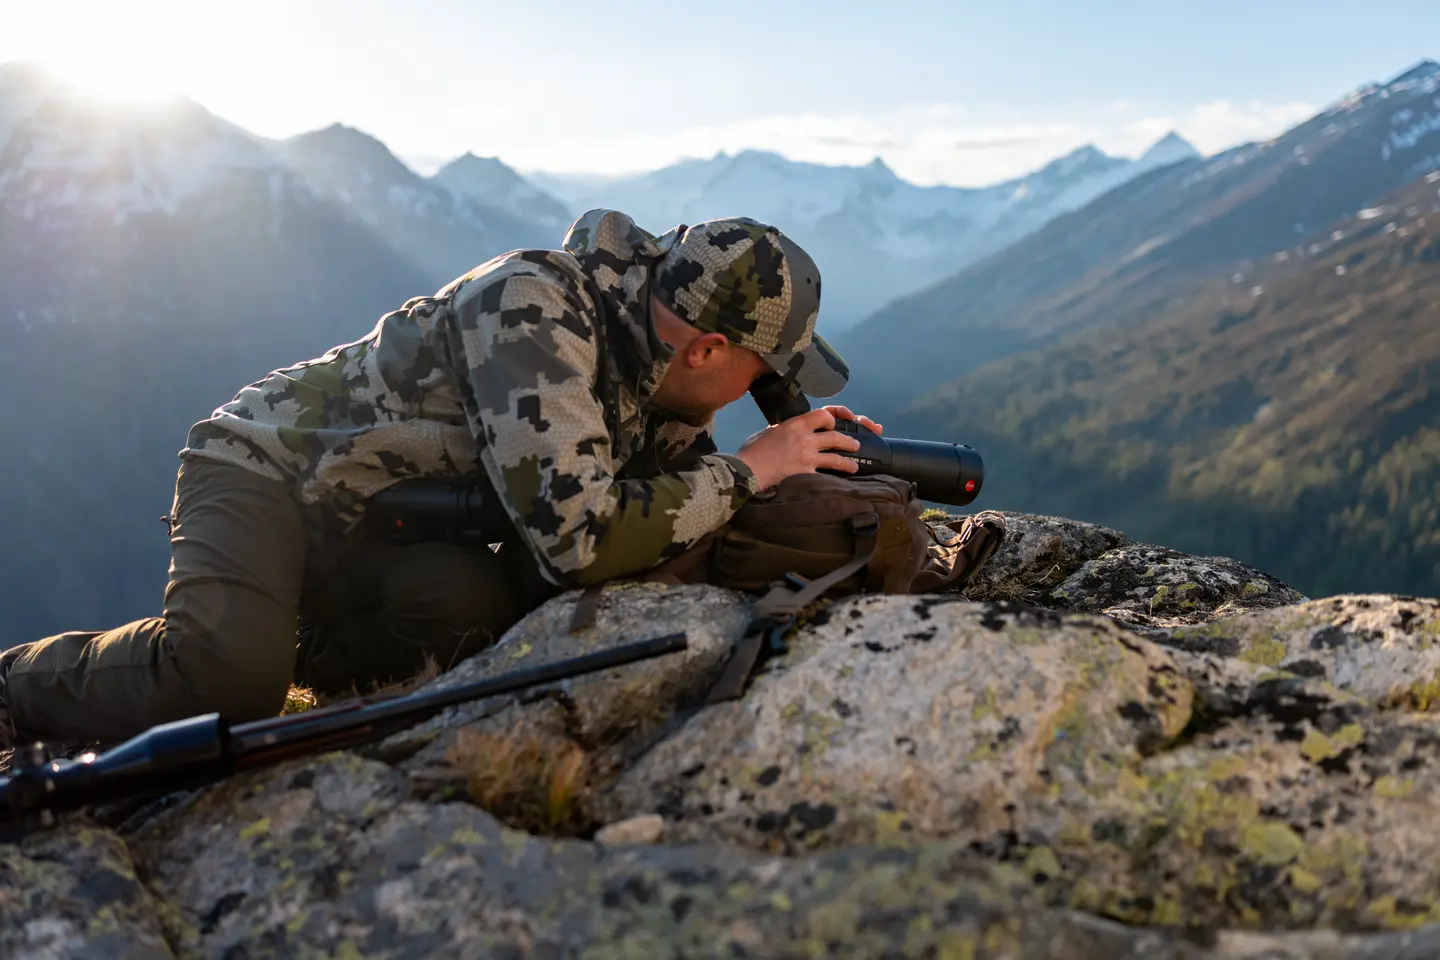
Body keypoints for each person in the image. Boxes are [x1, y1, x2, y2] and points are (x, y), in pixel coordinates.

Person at [0, 208, 882, 747]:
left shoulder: (662, 365)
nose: (774, 391)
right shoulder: (534, 307)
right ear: (708, 347)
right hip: (270, 471)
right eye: (769, 371)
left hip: (387, 520)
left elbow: (658, 511)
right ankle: (19, 688)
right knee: (228, 682)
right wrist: (744, 473)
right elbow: (580, 540)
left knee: (469, 620)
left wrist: (818, 468)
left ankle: (274, 626)